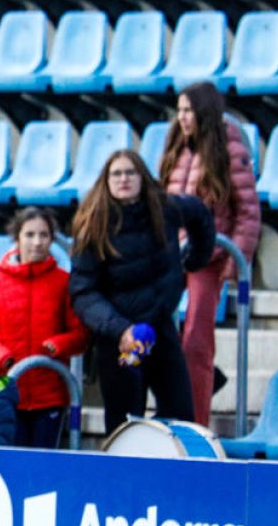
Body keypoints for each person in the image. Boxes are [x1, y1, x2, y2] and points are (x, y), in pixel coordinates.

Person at [69, 149, 215, 434]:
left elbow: (199, 213)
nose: (123, 179)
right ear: (106, 181)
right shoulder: (93, 224)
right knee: (123, 425)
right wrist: (121, 330)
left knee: (181, 415)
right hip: (118, 340)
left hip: (160, 327)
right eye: (116, 174)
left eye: (130, 172)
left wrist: (197, 259)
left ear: (142, 177)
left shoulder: (166, 209)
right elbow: (84, 293)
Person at [158, 81, 261, 428]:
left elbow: (247, 210)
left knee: (195, 345)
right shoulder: (177, 146)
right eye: (180, 110)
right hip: (174, 256)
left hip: (209, 258)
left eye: (189, 110)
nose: (182, 117)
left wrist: (234, 261)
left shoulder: (229, 148)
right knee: (162, 337)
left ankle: (196, 424)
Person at [0, 207, 89, 448]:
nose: (37, 242)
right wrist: (1, 356)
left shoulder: (63, 282)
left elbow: (81, 336)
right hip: (7, 393)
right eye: (30, 234)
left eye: (44, 235)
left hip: (51, 395)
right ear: (17, 238)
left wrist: (58, 345)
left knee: (44, 467)